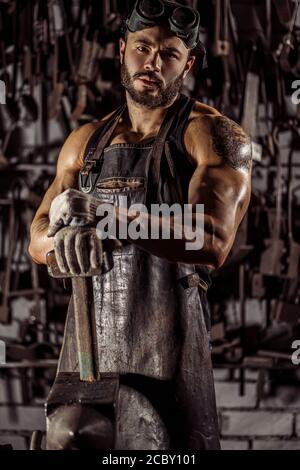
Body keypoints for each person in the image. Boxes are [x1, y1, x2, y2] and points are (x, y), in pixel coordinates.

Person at [29, 0, 252, 450]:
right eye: (143, 47)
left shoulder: (212, 135)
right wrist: (58, 234)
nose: (152, 62)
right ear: (121, 49)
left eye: (169, 53)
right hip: (88, 357)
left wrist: (107, 217)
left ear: (187, 63)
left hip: (169, 362)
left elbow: (211, 237)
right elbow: (36, 241)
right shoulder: (85, 143)